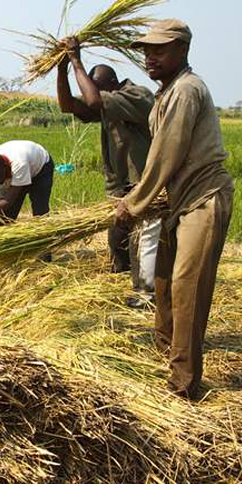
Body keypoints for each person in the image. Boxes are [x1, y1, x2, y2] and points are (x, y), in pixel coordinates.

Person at [115, 19, 234, 400]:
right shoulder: (165, 93)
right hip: (177, 201)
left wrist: (134, 203)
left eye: (159, 50)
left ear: (182, 50)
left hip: (203, 199)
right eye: (146, 51)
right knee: (163, 283)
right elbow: (160, 156)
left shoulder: (186, 90)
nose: (149, 57)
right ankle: (165, 355)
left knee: (187, 288)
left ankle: (183, 386)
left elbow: (167, 154)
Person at [56, 35, 159, 307]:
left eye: (97, 89)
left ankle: (146, 294)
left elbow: (92, 101)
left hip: (143, 182)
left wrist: (76, 60)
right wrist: (61, 68)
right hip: (120, 185)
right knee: (118, 237)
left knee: (144, 238)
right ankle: (122, 279)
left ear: (111, 85)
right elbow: (69, 105)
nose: (94, 94)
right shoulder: (108, 100)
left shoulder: (137, 96)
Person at [0, 140, 54, 223]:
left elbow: (8, 200)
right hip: (19, 167)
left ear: (6, 167)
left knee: (40, 212)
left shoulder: (19, 163)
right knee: (2, 218)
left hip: (41, 169)